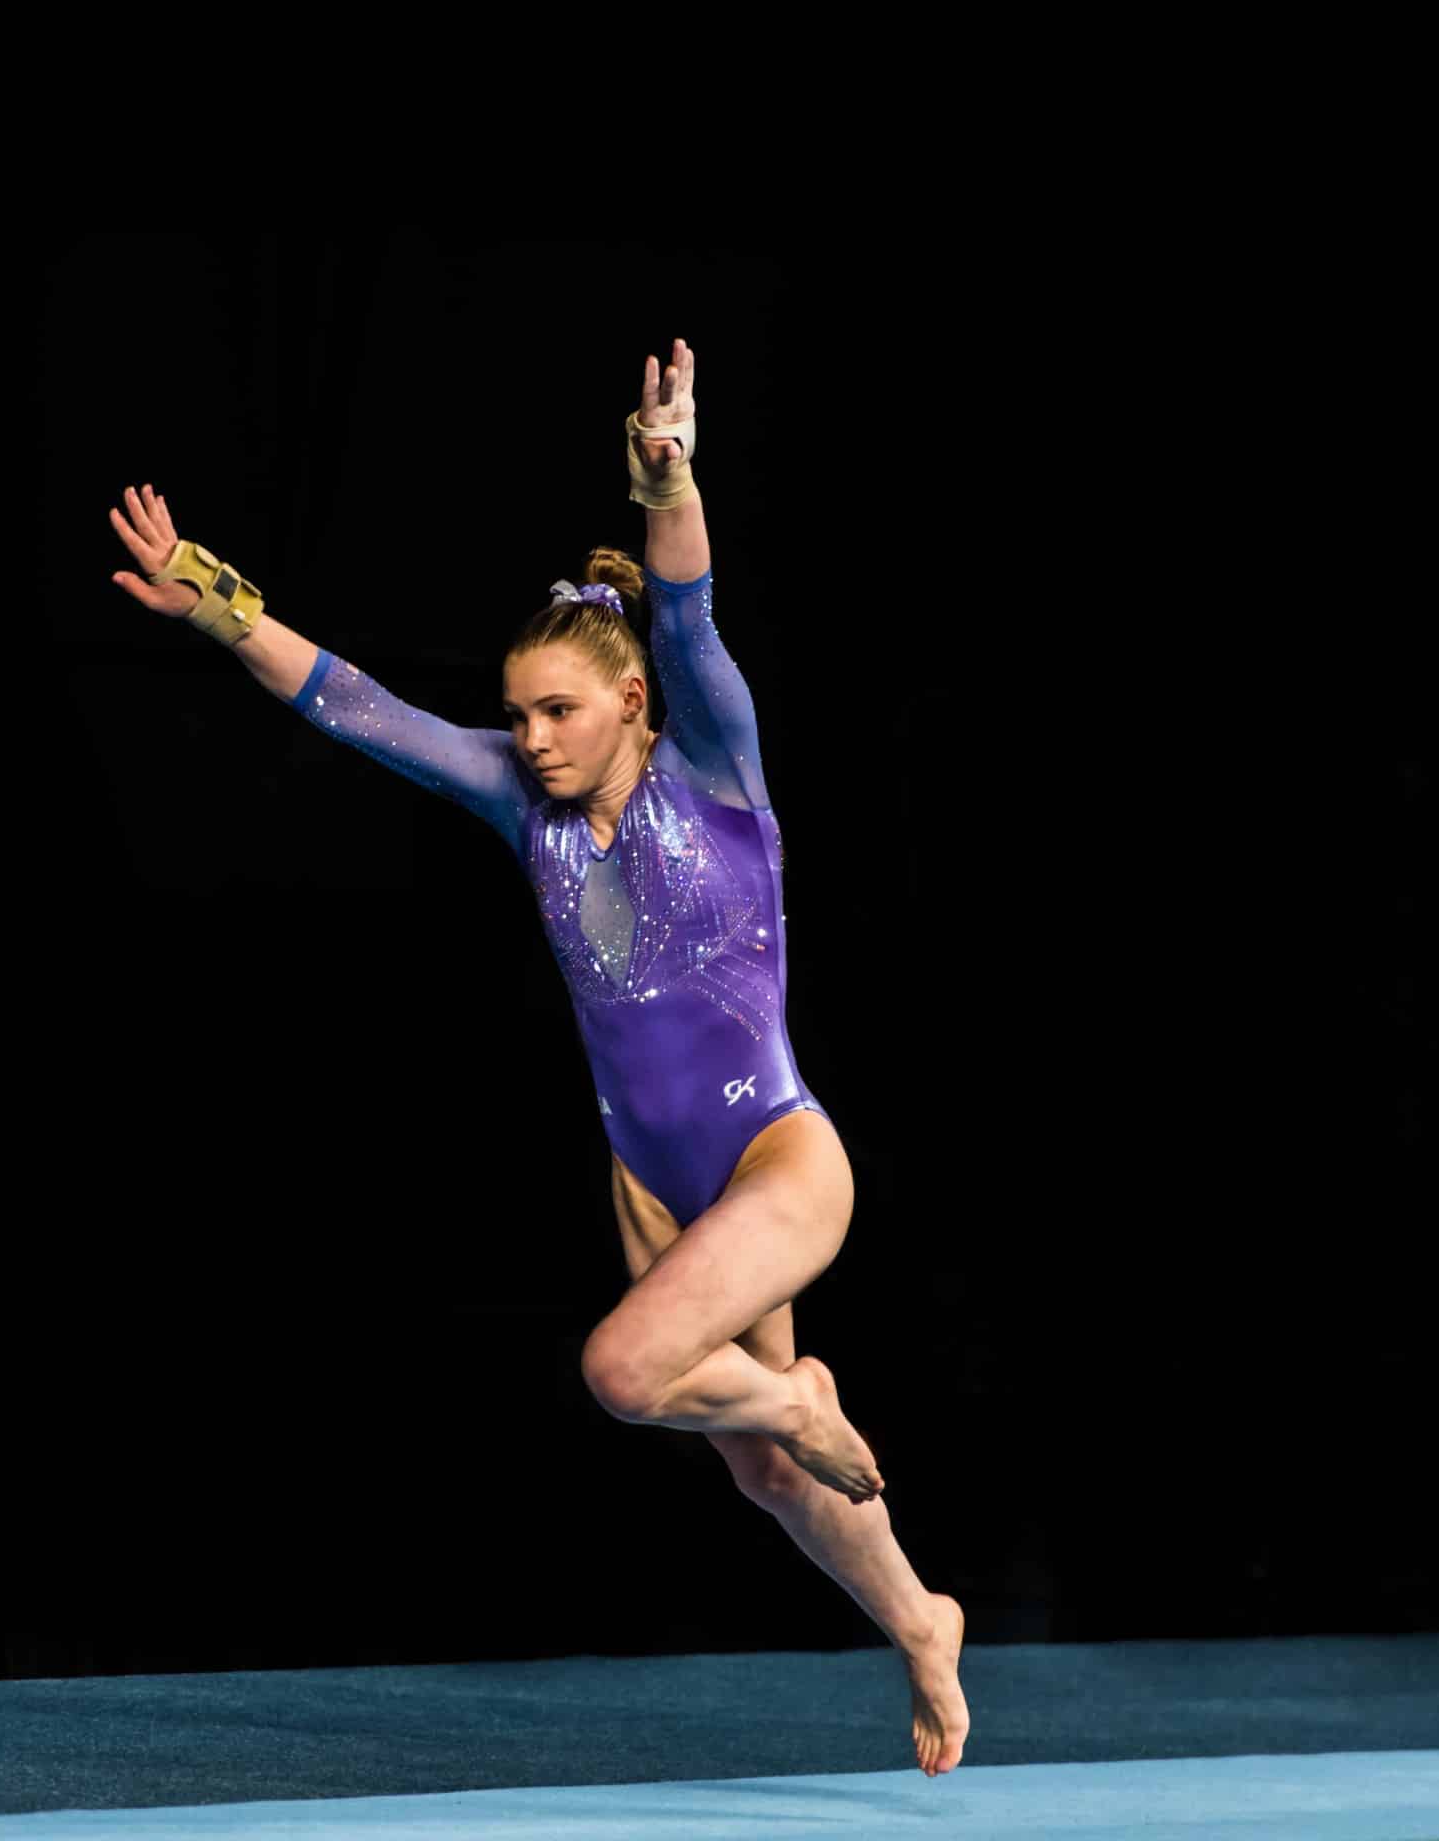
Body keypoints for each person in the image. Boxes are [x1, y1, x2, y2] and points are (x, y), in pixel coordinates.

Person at [108, 339, 970, 1780]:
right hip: (651, 1179)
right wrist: (220, 610)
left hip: (774, 1155)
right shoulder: (524, 808)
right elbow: (362, 707)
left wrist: (666, 474)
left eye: (555, 710)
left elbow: (686, 615)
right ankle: (920, 1617)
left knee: (631, 1370)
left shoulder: (717, 771)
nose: (530, 737)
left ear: (628, 706)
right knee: (758, 1469)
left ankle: (796, 1402)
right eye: (515, 715)